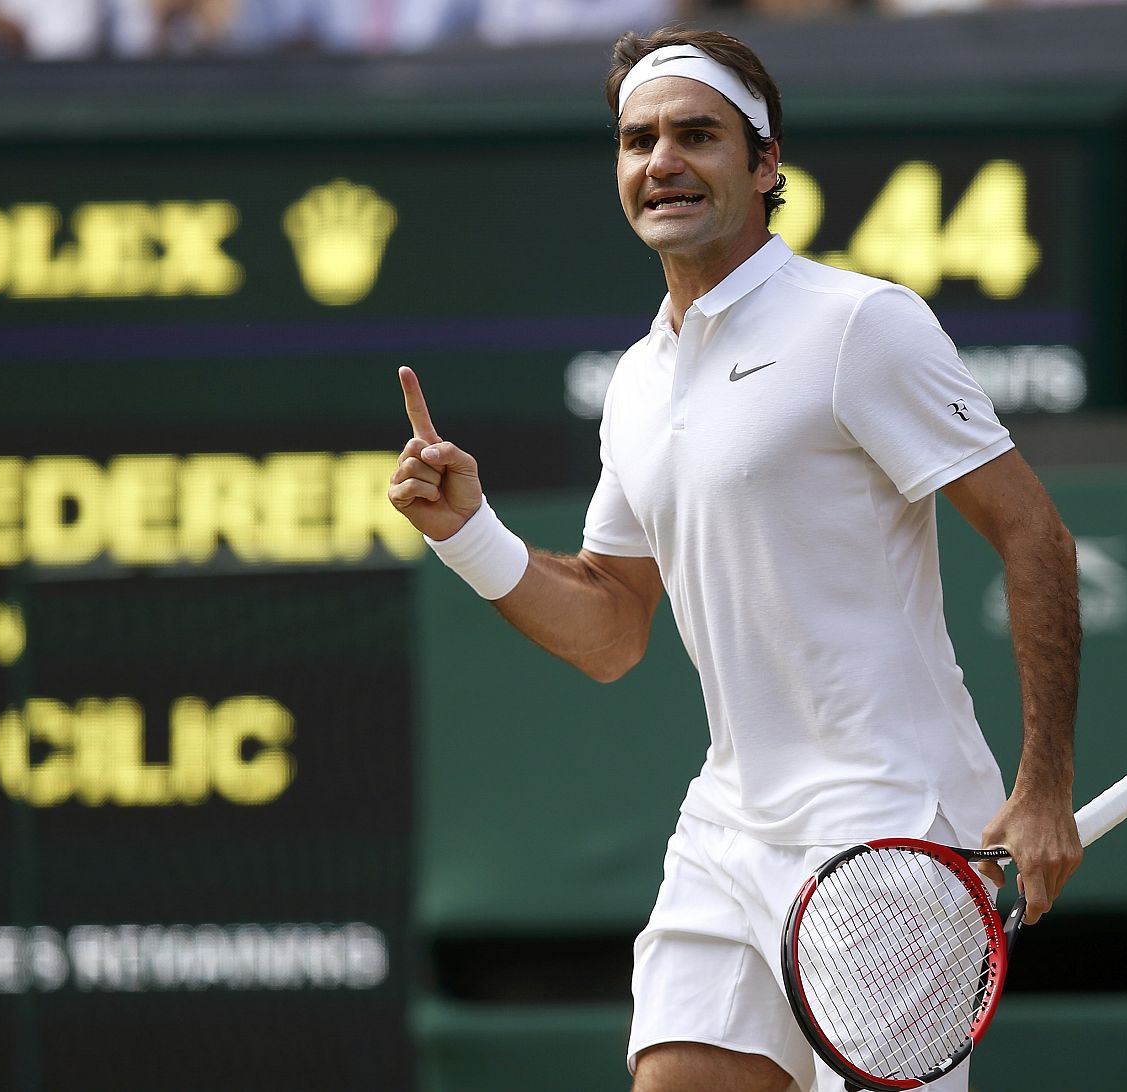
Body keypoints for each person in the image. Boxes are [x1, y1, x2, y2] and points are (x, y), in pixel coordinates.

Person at [388, 25, 1082, 1092]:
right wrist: (466, 535)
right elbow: (611, 627)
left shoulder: (859, 325)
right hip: (729, 825)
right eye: (638, 141)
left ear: (765, 165)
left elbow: (1033, 532)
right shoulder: (637, 380)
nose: (661, 160)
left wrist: (1042, 788)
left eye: (696, 135)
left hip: (891, 823)